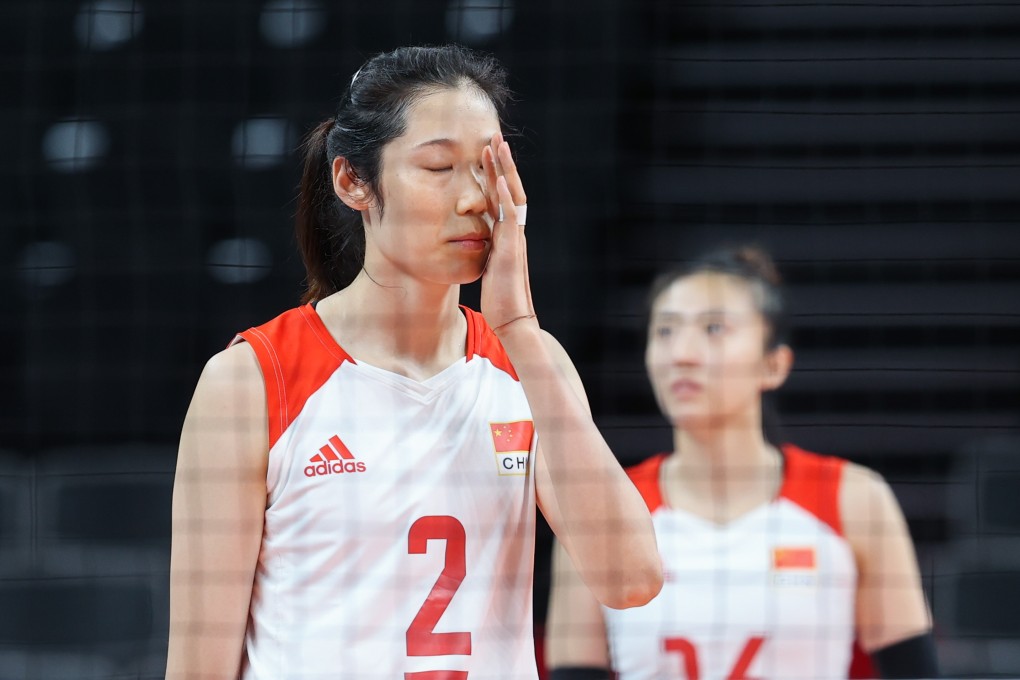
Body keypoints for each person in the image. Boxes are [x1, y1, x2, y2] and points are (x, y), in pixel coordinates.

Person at [165, 44, 662, 680]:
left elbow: (631, 581)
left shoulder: (529, 365)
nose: (473, 199)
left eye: (487, 167)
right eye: (437, 167)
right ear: (352, 182)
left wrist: (520, 329)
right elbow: (198, 666)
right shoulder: (253, 379)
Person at [545, 247, 939, 679]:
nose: (682, 354)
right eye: (665, 331)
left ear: (774, 365)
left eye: (714, 328)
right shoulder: (598, 510)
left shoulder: (854, 499)